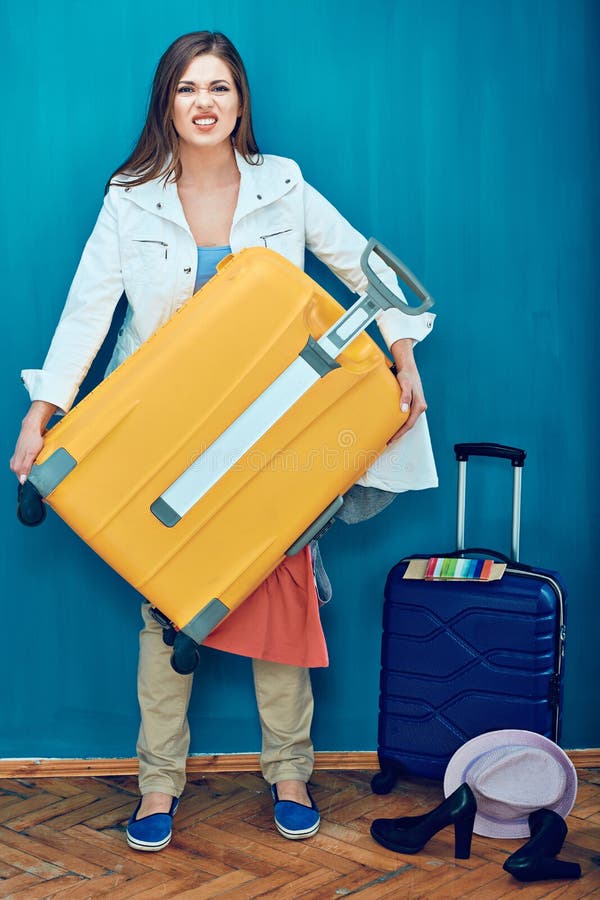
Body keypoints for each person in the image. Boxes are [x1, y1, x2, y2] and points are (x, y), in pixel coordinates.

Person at [10, 31, 437, 850]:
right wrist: (45, 411)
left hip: (271, 424)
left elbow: (361, 267)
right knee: (167, 604)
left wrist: (402, 351)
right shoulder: (130, 196)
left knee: (277, 590)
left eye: (220, 87)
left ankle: (289, 770)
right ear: (166, 103)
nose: (204, 102)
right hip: (164, 428)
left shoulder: (284, 186)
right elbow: (88, 311)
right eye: (187, 89)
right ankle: (157, 785)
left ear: (240, 102)